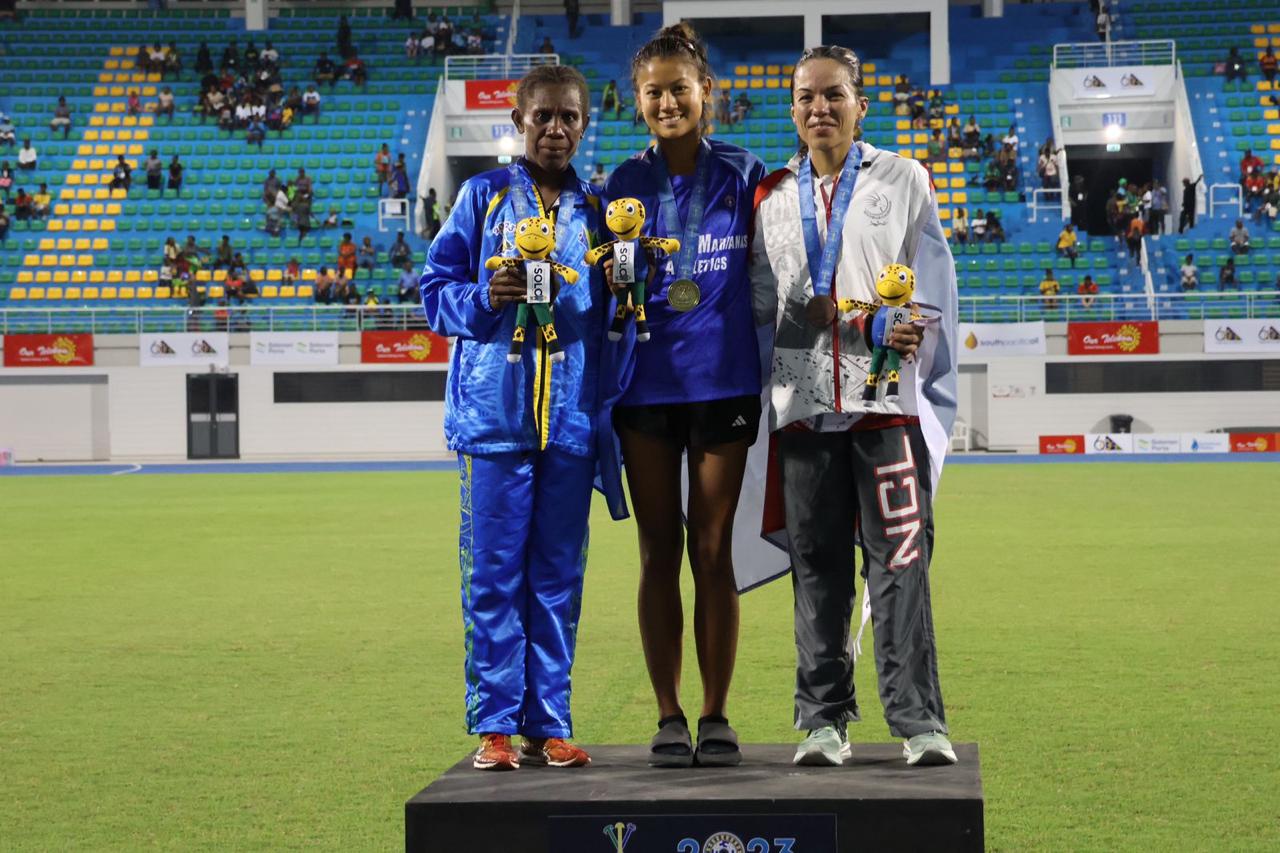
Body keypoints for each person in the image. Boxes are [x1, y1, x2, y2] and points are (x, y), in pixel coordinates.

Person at [750, 44, 958, 769]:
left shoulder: (903, 179)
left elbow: (932, 290)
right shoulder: (771, 197)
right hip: (804, 411)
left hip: (887, 406)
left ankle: (919, 721)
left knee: (901, 562)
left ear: (859, 103)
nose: (819, 109)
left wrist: (914, 330)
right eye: (805, 96)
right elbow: (758, 305)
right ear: (793, 107)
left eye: (833, 95)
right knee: (817, 568)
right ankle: (822, 720)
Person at [419, 63, 612, 772]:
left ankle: (548, 721)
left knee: (558, 577)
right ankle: (496, 724)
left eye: (569, 117)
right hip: (494, 422)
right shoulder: (482, 196)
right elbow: (433, 291)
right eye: (544, 117)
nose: (556, 128)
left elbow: (610, 316)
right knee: (494, 576)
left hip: (569, 424)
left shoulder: (598, 210)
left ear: (584, 125)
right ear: (519, 121)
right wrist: (483, 296)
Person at [593, 22, 769, 770]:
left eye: (680, 89)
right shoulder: (616, 185)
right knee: (657, 549)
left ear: (707, 93)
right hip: (645, 385)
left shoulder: (746, 172)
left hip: (725, 380)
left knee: (713, 548)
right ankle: (668, 714)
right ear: (639, 101)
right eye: (654, 92)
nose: (668, 102)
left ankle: (716, 713)